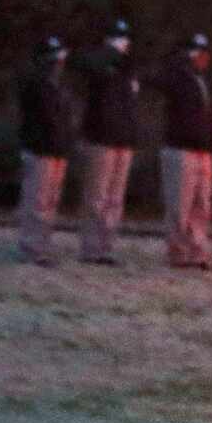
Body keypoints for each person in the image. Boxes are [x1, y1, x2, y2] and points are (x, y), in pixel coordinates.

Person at [70, 19, 139, 266]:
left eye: (125, 38)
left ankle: (106, 247)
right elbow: (85, 65)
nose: (124, 43)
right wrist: (109, 52)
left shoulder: (127, 68)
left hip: (122, 139)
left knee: (114, 199)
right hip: (100, 138)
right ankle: (91, 248)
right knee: (97, 197)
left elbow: (131, 104)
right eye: (118, 38)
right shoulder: (100, 62)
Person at [148, 33, 212, 271]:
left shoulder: (203, 80)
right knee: (180, 204)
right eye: (199, 53)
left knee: (201, 205)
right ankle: (177, 252)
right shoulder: (177, 77)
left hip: (203, 149)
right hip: (180, 148)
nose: (204, 58)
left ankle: (197, 251)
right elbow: (156, 80)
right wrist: (178, 59)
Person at [17, 36, 74, 268]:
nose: (59, 64)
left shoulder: (57, 85)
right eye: (55, 59)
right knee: (37, 200)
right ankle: (33, 247)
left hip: (56, 149)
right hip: (41, 149)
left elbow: (63, 117)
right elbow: (43, 118)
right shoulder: (36, 84)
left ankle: (42, 244)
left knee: (49, 201)